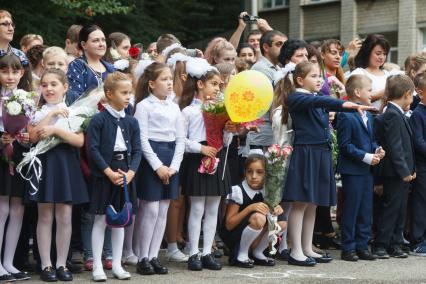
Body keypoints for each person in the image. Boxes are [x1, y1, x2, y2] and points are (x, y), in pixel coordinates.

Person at [282, 62, 374, 266]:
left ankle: (307, 247)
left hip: (320, 152)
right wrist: (347, 104)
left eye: (320, 76)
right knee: (300, 202)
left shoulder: (314, 98)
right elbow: (319, 103)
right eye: (314, 76)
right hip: (307, 152)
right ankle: (295, 250)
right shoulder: (297, 97)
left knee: (313, 202)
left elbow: (320, 105)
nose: (319, 80)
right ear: (299, 80)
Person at [27, 68, 89, 282]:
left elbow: (79, 141)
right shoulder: (37, 112)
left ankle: (62, 263)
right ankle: (46, 264)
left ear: (65, 87)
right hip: (45, 164)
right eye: (44, 85)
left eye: (54, 84)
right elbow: (33, 136)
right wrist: (51, 115)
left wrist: (56, 131)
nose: (49, 89)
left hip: (65, 164)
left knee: (64, 215)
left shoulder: (74, 111)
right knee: (45, 215)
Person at [87, 72, 141, 281]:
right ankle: (97, 266)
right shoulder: (98, 120)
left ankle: (117, 264)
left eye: (130, 92)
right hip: (105, 174)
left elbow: (137, 151)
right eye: (124, 92)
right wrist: (108, 172)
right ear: (109, 94)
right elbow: (93, 150)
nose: (128, 97)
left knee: (121, 220)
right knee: (101, 219)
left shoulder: (132, 122)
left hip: (125, 173)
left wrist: (130, 173)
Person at [179, 58, 232, 271]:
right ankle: (194, 252)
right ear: (200, 84)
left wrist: (228, 129)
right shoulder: (188, 112)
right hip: (198, 157)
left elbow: (226, 142)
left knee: (213, 208)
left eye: (219, 85)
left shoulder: (220, 110)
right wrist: (200, 149)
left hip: (217, 157)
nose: (217, 88)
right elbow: (180, 140)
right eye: (214, 84)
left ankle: (208, 252)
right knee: (197, 207)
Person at [133, 62, 185, 275]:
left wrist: (173, 167)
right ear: (152, 84)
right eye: (164, 80)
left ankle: (154, 255)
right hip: (151, 160)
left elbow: (181, 139)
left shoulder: (174, 106)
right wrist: (158, 166)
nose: (169, 84)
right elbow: (142, 140)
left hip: (171, 158)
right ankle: (142, 256)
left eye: (170, 79)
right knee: (151, 209)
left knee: (163, 209)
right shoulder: (144, 106)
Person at [336, 74, 385, 262]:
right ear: (357, 92)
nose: (372, 93)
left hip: (366, 170)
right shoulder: (346, 115)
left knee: (365, 208)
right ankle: (348, 247)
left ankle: (362, 245)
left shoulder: (368, 115)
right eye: (369, 90)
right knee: (352, 208)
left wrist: (377, 149)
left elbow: (370, 139)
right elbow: (345, 145)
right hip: (353, 170)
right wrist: (366, 157)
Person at [373, 74, 416, 259]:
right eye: (412, 95)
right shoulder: (391, 114)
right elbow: (394, 146)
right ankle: (381, 244)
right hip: (394, 172)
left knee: (400, 209)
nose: (413, 98)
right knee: (391, 209)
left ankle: (395, 243)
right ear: (406, 94)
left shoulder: (398, 113)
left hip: (402, 172)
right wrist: (404, 171)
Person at [0, 52, 32, 282]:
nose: (10, 76)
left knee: (18, 209)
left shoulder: (28, 98)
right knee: (2, 209)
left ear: (22, 73)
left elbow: (30, 126)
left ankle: (9, 262)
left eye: (14, 71)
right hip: (1, 156)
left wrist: (26, 137)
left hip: (20, 155)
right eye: (4, 71)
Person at [220, 154, 283, 268]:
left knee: (281, 222)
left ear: (266, 173)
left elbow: (272, 216)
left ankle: (257, 252)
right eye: (250, 172)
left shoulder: (267, 191)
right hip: (235, 236)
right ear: (244, 172)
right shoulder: (238, 190)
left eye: (259, 172)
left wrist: (277, 209)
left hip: (255, 236)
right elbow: (229, 225)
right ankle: (242, 254)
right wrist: (250, 208)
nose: (254, 176)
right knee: (258, 218)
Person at [67, 24, 115, 98]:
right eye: (96, 41)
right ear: (84, 45)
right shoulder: (76, 66)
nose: (101, 44)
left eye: (103, 40)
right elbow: (75, 98)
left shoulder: (111, 68)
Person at [409, 71, 426, 256]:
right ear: (420, 92)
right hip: (422, 167)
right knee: (421, 203)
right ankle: (417, 240)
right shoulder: (418, 114)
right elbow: (418, 142)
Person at [350, 34, 391, 110]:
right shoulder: (358, 73)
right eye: (378, 53)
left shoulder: (388, 74)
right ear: (368, 52)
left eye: (384, 54)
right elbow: (354, 100)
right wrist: (382, 93)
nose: (382, 57)